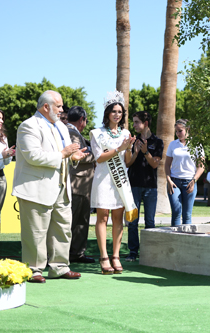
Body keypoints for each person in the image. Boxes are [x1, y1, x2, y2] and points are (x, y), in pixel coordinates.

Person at [12, 90, 88, 283]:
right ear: (46, 107)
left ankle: (60, 267)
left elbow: (64, 155)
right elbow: (33, 155)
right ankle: (34, 269)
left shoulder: (61, 127)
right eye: (59, 106)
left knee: (63, 228)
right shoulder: (28, 126)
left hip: (61, 187)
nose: (62, 110)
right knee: (35, 231)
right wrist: (63, 154)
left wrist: (73, 158)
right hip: (36, 188)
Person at [90, 91, 136, 274]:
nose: (117, 114)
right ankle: (103, 256)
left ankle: (115, 255)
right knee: (103, 217)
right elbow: (99, 158)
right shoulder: (97, 133)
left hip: (120, 179)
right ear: (107, 113)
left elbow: (127, 161)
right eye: (114, 111)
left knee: (119, 217)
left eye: (120, 112)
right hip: (103, 179)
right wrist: (120, 148)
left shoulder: (126, 133)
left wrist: (129, 148)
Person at [125, 111, 163, 262]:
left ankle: (149, 253)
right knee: (132, 221)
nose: (133, 125)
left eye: (136, 122)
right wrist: (134, 152)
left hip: (150, 187)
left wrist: (145, 152)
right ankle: (133, 253)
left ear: (145, 123)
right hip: (133, 186)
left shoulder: (158, 141)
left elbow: (154, 164)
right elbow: (127, 164)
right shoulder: (132, 140)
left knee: (150, 222)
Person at [67, 106, 96, 264]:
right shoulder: (70, 132)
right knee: (72, 221)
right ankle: (66, 255)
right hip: (76, 183)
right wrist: (96, 155)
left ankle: (77, 253)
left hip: (82, 183)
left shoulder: (74, 132)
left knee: (81, 221)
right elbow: (77, 156)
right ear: (81, 120)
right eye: (85, 120)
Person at [165, 119, 205, 226]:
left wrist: (194, 180)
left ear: (188, 129)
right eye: (176, 131)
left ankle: (186, 240)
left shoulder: (197, 144)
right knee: (176, 212)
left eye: (180, 131)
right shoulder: (173, 144)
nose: (178, 133)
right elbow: (167, 164)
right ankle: (175, 240)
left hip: (190, 182)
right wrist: (168, 180)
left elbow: (201, 166)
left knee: (187, 215)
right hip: (174, 182)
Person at [0, 108, 16, 260]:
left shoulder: (2, 137)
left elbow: (6, 162)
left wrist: (8, 155)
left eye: (2, 118)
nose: (2, 121)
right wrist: (0, 155)